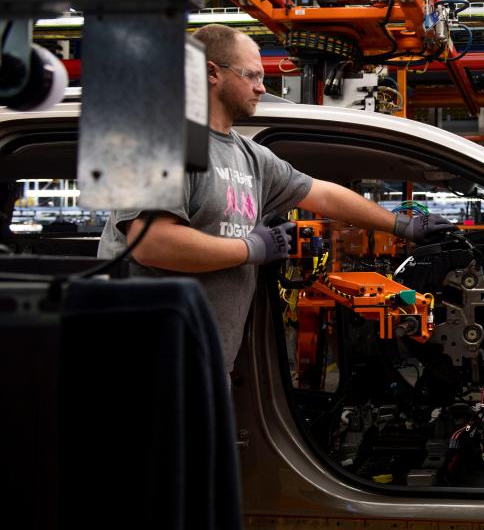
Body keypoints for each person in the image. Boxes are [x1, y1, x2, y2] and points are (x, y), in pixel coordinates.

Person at [98, 24, 453, 370]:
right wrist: (252, 249)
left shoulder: (247, 155)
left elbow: (322, 194)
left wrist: (401, 224)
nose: (260, 87)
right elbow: (152, 244)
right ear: (211, 73)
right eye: (251, 75)